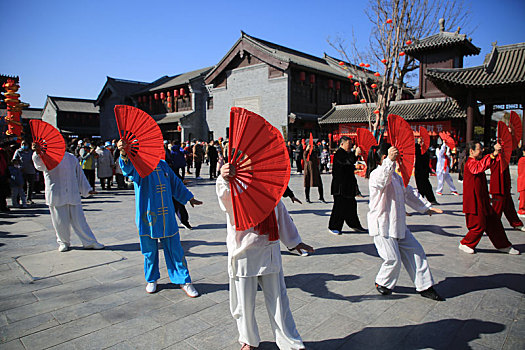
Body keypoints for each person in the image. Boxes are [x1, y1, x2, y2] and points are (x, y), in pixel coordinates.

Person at [217, 163, 313, 350]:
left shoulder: (269, 187)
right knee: (244, 302)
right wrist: (224, 178)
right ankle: (248, 339)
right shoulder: (234, 184)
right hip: (243, 251)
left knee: (279, 300)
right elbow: (226, 200)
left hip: (269, 248)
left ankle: (290, 342)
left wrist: (295, 242)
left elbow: (281, 214)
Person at [117, 139, 203, 295]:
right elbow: (126, 168)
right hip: (147, 216)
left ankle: (183, 280)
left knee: (175, 249)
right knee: (149, 251)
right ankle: (151, 279)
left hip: (166, 216)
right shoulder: (137, 166)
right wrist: (124, 153)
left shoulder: (163, 164)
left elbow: (175, 183)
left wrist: (189, 198)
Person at [366, 142, 444, 301]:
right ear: (384, 157)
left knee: (417, 252)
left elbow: (409, 193)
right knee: (392, 259)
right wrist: (389, 160)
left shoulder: (396, 176)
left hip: (398, 224)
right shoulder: (376, 174)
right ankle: (382, 282)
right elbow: (382, 181)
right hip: (383, 226)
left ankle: (425, 286)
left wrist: (425, 207)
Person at [32, 144, 104, 252]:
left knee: (80, 220)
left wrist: (87, 189)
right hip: (56, 193)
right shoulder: (46, 157)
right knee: (59, 221)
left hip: (72, 193)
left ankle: (89, 242)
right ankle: (63, 242)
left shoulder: (71, 157)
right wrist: (37, 153)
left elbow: (80, 174)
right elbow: (39, 166)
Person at [459, 141, 520, 255]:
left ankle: (503, 245)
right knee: (478, 225)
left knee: (494, 223)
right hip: (474, 202)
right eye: (479, 149)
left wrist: (497, 154)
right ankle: (466, 243)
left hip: (483, 201)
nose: (481, 150)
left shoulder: (476, 162)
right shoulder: (470, 163)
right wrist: (493, 154)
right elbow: (479, 167)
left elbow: (485, 166)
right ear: (471, 151)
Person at [328, 136, 365, 235]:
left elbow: (349, 165)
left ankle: (354, 224)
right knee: (339, 207)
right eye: (349, 144)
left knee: (352, 206)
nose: (350, 146)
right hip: (340, 187)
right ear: (342, 144)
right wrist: (355, 154)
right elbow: (347, 161)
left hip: (348, 186)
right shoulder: (339, 154)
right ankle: (334, 226)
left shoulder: (347, 154)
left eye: (351, 144)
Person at [489, 149, 525, 231]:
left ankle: (516, 223)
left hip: (505, 187)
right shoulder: (494, 158)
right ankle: (492, 225)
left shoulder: (504, 159)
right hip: (498, 188)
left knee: (509, 207)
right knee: (497, 209)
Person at [12, 140, 37, 204]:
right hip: (21, 171)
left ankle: (28, 199)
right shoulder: (18, 151)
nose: (24, 145)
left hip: (30, 170)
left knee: (30, 186)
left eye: (25, 144)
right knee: (20, 186)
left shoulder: (31, 152)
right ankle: (18, 200)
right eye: (22, 144)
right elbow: (14, 160)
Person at [414, 139, 438, 204]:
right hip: (418, 170)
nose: (421, 142)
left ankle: (431, 199)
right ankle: (421, 200)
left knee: (427, 186)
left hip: (424, 170)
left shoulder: (426, 150)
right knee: (420, 186)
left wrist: (429, 170)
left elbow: (427, 161)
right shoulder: (417, 148)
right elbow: (416, 151)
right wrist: (418, 145)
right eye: (419, 140)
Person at [0, 146, 10, 212]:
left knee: (2, 193)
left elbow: (5, 165)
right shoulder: (2, 153)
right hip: (2, 175)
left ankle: (3, 206)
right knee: (2, 193)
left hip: (2, 175)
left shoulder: (2, 153)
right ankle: (3, 206)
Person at [518, 146, 525, 218]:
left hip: (522, 180)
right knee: (523, 198)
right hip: (523, 181)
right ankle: (521, 210)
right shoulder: (522, 160)